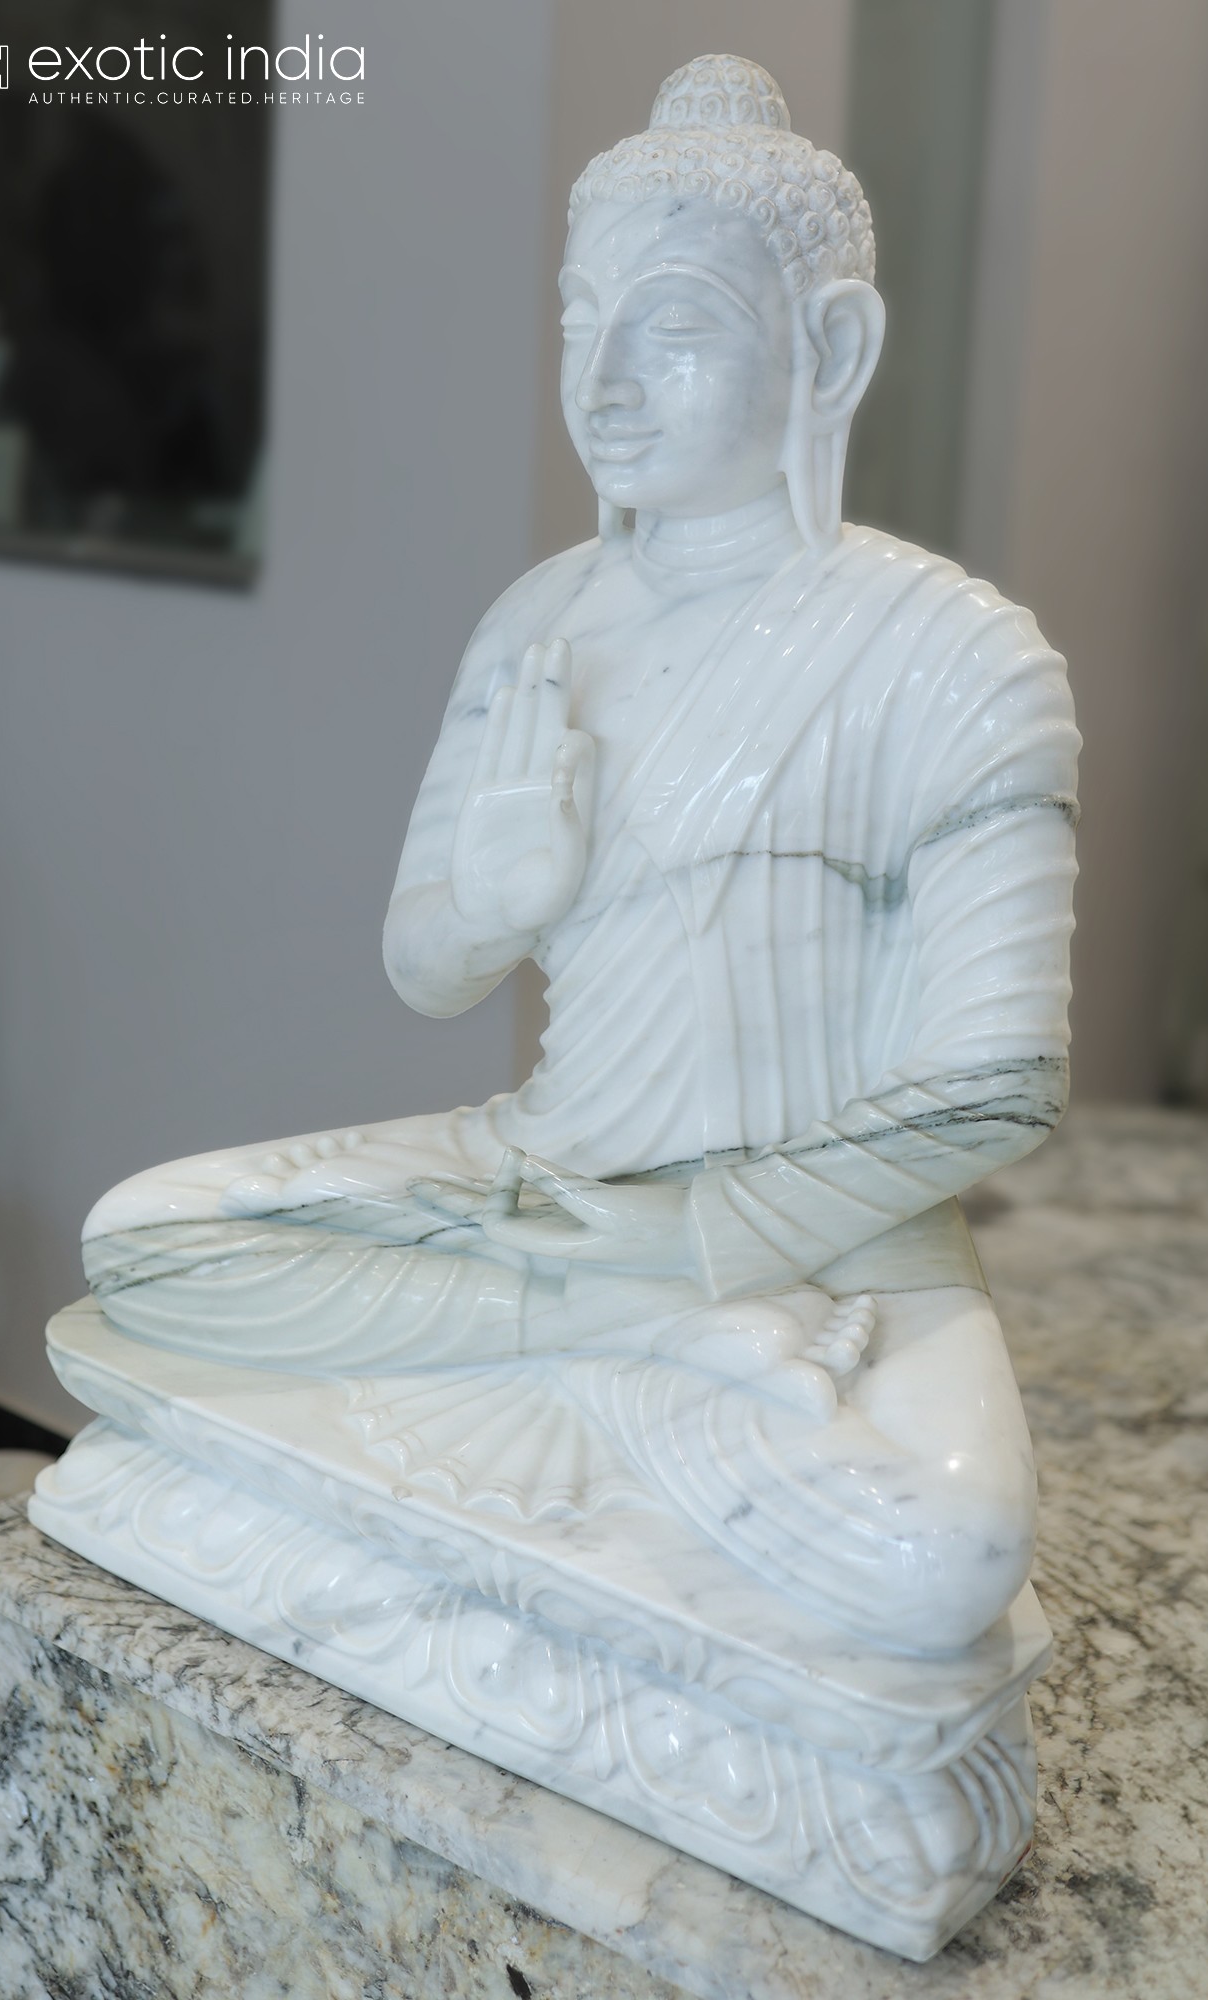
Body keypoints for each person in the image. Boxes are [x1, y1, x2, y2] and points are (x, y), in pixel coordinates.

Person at [80, 56, 1079, 1654]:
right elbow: (426, 968)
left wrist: (707, 1238)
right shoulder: (535, 626)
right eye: (578, 320)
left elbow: (993, 1088)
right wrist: (495, 901)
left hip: (831, 1227)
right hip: (550, 1177)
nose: (604, 381)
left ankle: (614, 1336)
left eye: (672, 328)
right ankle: (647, 1337)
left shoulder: (956, 656)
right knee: (146, 1246)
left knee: (947, 1554)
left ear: (831, 351)